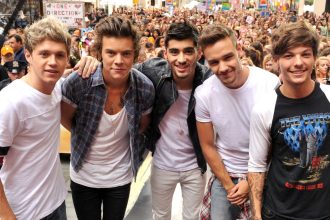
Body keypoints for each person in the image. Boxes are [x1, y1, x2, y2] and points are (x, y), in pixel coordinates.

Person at [61, 16, 155, 220]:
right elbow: (66, 118)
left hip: (120, 178)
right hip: (83, 176)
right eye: (111, 52)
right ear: (99, 53)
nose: (119, 61)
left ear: (135, 55)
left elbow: (142, 127)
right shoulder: (79, 82)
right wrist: (83, 133)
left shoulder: (144, 88)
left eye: (126, 53)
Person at [195, 24, 279, 220]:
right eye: (214, 62)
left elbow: (278, 142)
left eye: (228, 57)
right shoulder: (204, 94)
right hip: (226, 175)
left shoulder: (269, 84)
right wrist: (229, 186)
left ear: (239, 49)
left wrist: (251, 182)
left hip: (265, 173)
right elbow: (207, 145)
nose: (223, 68)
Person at [248, 20, 330, 220]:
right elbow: (257, 167)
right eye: (288, 56)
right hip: (279, 212)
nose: (298, 62)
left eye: (305, 54)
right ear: (276, 60)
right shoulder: (264, 108)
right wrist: (257, 215)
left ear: (314, 58)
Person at [135, 21, 211, 220]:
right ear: (165, 53)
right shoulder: (152, 71)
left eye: (188, 51)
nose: (181, 59)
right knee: (160, 216)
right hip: (162, 165)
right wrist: (91, 62)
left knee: (192, 217)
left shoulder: (210, 80)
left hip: (196, 167)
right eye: (174, 52)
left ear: (199, 53)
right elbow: (121, 71)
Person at [0, 16, 70, 220]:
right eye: (44, 54)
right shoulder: (10, 102)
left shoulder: (57, 88)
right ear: (28, 55)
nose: (52, 62)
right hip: (22, 213)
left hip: (56, 203)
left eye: (60, 55)